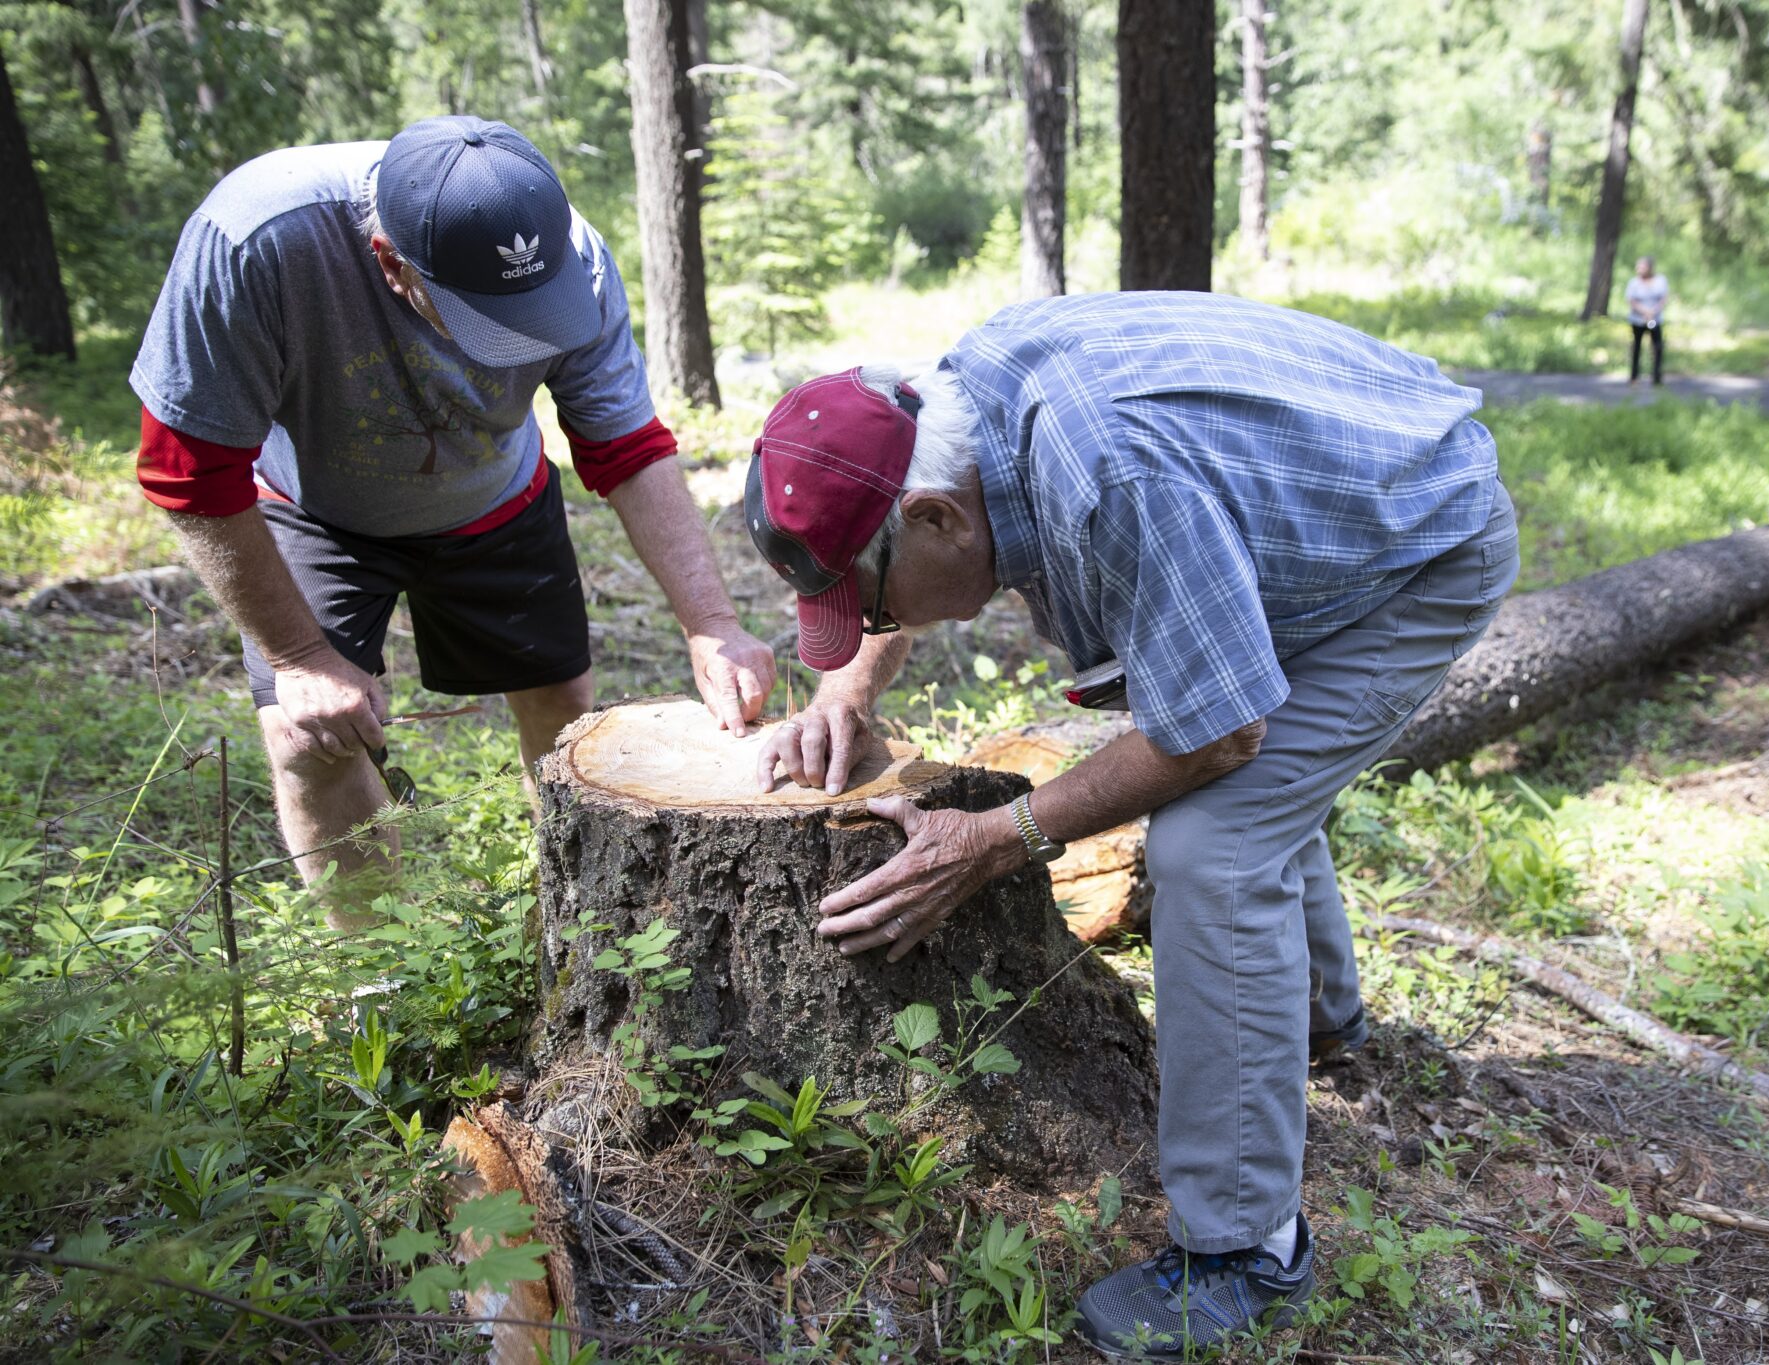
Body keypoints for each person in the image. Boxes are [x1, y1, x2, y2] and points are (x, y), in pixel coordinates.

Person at [742, 293, 1518, 1360]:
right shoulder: (944, 415)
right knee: (1248, 793)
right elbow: (895, 543)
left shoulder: (1105, 478)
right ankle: (1321, 1020)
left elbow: (1217, 734)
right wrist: (847, 693)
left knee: (1215, 840)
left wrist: (996, 837)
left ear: (936, 518)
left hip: (1410, 547)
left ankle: (1246, 1249)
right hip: (1293, 524)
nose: (874, 629)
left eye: (871, 605)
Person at [130, 116, 776, 927]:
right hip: (319, 510)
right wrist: (299, 656)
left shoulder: (566, 253)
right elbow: (186, 468)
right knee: (310, 738)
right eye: (485, 318)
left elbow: (626, 445)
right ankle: (382, 969)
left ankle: (572, 932)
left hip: (495, 497)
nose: (508, 344)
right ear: (390, 263)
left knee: (566, 707)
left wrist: (710, 622)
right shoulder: (257, 242)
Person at [1623, 255, 1669, 385]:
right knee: (1637, 346)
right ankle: (1634, 376)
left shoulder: (1660, 280)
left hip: (1655, 319)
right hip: (1638, 320)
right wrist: (1644, 311)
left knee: (1657, 347)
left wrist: (1653, 312)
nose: (1639, 268)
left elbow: (1664, 298)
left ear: (1649, 268)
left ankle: (1656, 376)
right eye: (1638, 266)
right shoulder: (1634, 282)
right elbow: (1630, 300)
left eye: (1642, 266)